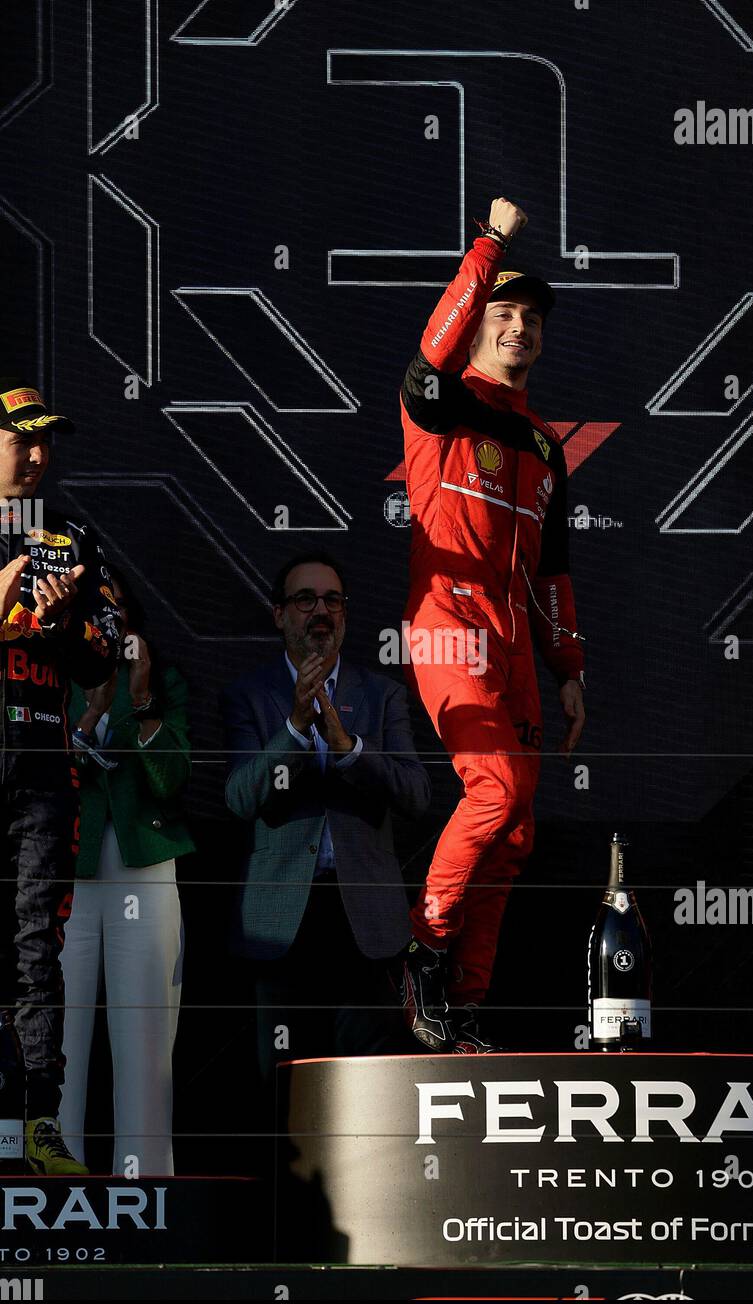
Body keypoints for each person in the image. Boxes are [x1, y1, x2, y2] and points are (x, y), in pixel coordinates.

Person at [399, 198, 587, 1053]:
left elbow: (552, 570)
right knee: (496, 790)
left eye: (532, 319)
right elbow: (433, 350)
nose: (520, 328)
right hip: (448, 620)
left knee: (514, 835)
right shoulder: (438, 400)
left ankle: (464, 1007)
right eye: (504, 313)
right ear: (477, 323)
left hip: (514, 644)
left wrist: (568, 667)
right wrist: (489, 244)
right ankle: (426, 946)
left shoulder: (545, 444)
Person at [219, 551, 431, 1092]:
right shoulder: (250, 695)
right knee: (285, 1092)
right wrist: (294, 727)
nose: (321, 611)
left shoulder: (382, 695)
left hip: (366, 921)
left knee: (372, 1092)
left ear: (345, 614)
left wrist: (349, 748)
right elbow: (241, 797)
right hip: (281, 922)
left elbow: (415, 795)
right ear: (279, 614)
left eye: (332, 600)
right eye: (305, 599)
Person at [0, 374, 122, 1172]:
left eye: (46, 442)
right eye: (23, 441)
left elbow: (103, 658)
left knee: (34, 948)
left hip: (42, 774)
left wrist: (68, 619)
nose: (39, 456)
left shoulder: (70, 539)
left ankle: (39, 1125)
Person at [58, 569, 193, 1175]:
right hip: (65, 866)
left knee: (145, 1038)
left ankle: (147, 1178)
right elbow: (39, 772)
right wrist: (88, 720)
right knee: (56, 1032)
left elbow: (171, 780)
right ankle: (52, 1168)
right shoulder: (51, 676)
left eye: (117, 619)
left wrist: (141, 700)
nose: (107, 630)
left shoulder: (162, 681)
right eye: (96, 617)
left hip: (145, 863)